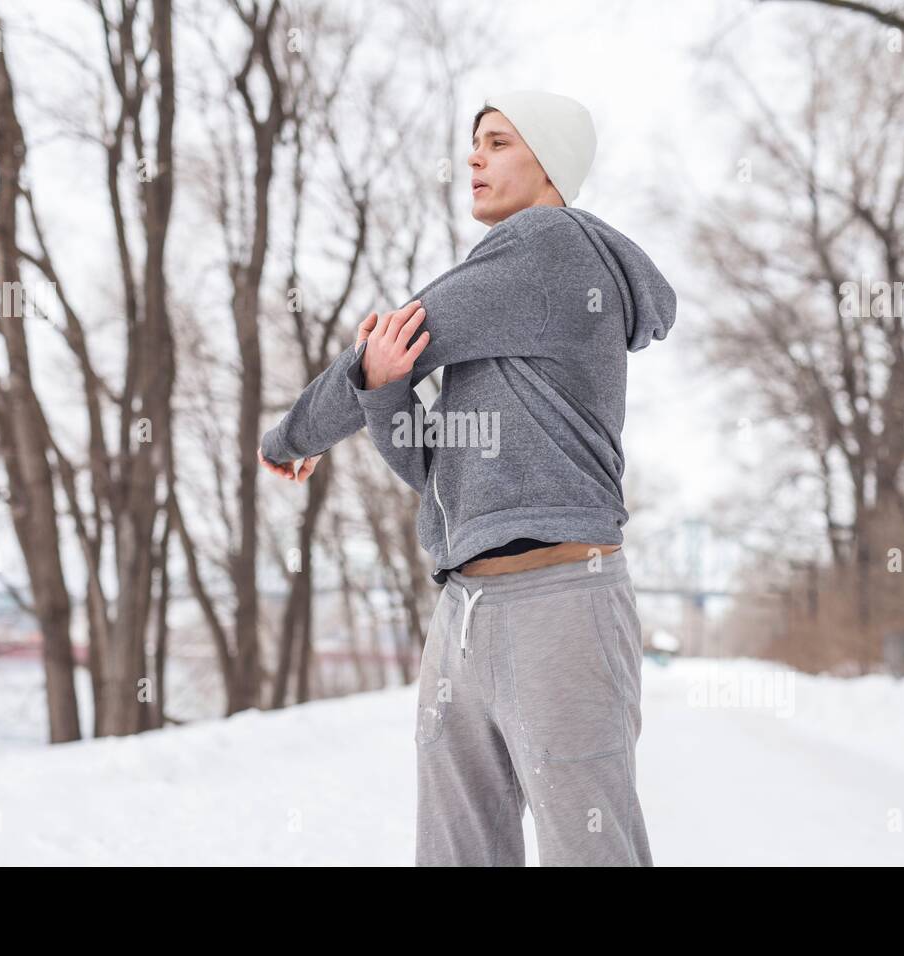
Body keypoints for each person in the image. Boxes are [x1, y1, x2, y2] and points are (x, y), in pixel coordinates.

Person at [259, 90, 677, 865]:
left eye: (498, 142)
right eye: (473, 143)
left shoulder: (550, 245)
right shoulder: (504, 316)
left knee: (591, 847)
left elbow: (400, 330)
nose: (475, 158)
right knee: (457, 850)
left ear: (548, 162)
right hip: (465, 607)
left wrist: (291, 434)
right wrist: (383, 386)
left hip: (560, 601)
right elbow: (427, 463)